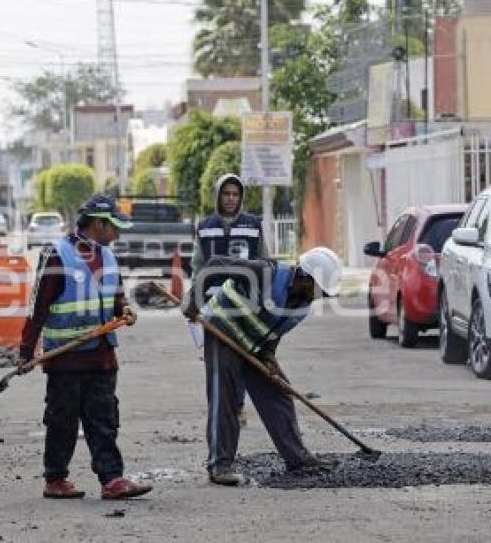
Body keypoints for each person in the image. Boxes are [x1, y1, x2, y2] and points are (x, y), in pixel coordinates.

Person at [19, 194, 152, 500]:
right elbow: (38, 308)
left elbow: (116, 297)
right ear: (98, 224)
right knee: (61, 421)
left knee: (103, 419)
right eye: (114, 226)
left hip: (102, 357)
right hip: (65, 359)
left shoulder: (107, 256)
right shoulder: (57, 255)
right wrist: (26, 351)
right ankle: (56, 479)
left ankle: (112, 479)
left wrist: (125, 311)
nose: (118, 234)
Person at [183, 246, 343, 486]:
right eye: (320, 289)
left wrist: (269, 359)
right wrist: (193, 297)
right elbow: (216, 262)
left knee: (278, 393)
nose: (321, 296)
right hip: (222, 330)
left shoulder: (301, 304)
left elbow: (271, 331)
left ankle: (297, 458)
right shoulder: (265, 272)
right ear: (304, 278)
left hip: (254, 346)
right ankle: (220, 465)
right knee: (225, 397)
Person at [191, 175, 268, 444]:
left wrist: (262, 300)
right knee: (217, 367)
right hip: (214, 309)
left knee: (242, 360)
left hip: (244, 306)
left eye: (235, 194)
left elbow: (264, 262)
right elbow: (198, 267)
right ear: (218, 196)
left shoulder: (253, 225)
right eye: (226, 194)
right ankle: (223, 412)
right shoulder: (205, 227)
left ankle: (237, 404)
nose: (231, 199)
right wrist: (194, 302)